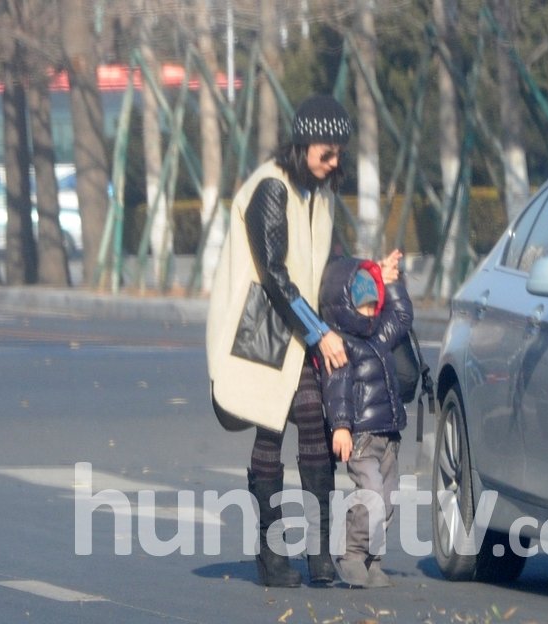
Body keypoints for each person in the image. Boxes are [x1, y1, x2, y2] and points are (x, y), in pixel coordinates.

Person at [206, 95, 353, 587]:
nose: (333, 163)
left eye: (338, 155)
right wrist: (320, 333)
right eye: (326, 153)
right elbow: (273, 272)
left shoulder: (319, 192)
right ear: (302, 144)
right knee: (269, 429)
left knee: (314, 423)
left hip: (298, 328)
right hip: (266, 330)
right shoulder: (272, 186)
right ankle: (272, 555)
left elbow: (327, 263)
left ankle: (321, 554)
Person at [317, 252, 413, 588]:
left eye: (374, 305)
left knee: (387, 500)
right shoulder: (340, 345)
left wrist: (391, 281)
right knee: (370, 493)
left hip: (388, 436)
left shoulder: (378, 337)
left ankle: (373, 559)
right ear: (344, 306)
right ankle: (351, 553)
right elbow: (337, 387)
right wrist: (341, 426)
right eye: (363, 306)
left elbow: (401, 316)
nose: (371, 313)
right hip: (360, 437)